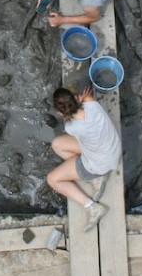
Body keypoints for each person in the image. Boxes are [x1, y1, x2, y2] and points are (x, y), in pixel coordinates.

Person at [47, 86, 122, 231]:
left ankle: (92, 207)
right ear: (75, 97)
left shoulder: (72, 127)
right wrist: (81, 100)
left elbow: (73, 122)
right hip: (112, 149)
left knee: (52, 179)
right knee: (57, 144)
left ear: (59, 112)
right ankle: (95, 177)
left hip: (98, 164)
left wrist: (69, 113)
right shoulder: (90, 102)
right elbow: (83, 104)